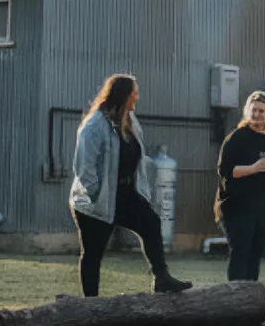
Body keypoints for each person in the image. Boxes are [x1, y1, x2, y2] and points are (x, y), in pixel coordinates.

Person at [69, 74, 191, 297]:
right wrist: (97, 197)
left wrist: (141, 191)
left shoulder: (130, 120)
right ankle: (90, 306)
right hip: (94, 200)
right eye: (134, 92)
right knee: (93, 253)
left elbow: (137, 158)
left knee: (151, 222)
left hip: (124, 193)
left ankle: (162, 279)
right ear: (123, 95)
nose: (137, 96)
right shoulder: (94, 126)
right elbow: (84, 168)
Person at [215, 91, 265, 282]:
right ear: (246, 112)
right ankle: (234, 299)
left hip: (261, 206)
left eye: (262, 111)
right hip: (235, 205)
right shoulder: (237, 137)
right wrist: (253, 168)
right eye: (254, 110)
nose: (257, 114)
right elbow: (224, 170)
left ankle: (250, 300)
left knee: (255, 254)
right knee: (240, 252)